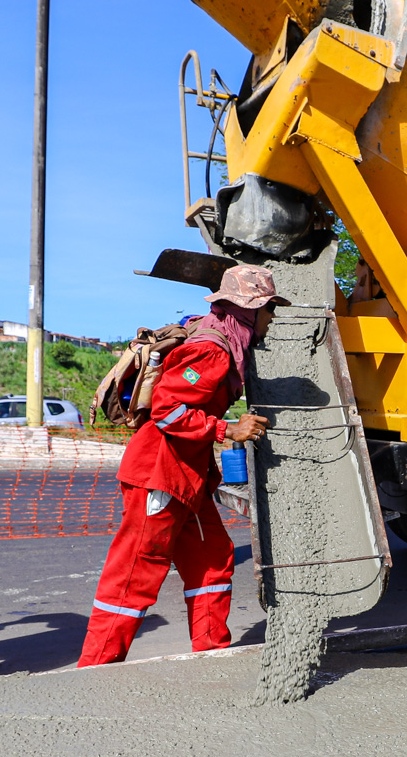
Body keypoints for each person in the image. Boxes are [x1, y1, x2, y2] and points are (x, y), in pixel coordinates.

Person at [78, 266, 285, 666]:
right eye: (268, 310)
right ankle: (95, 667)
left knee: (213, 557)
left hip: (187, 480)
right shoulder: (212, 349)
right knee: (135, 573)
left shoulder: (221, 338)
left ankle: (211, 653)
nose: (271, 319)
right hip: (160, 475)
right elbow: (168, 411)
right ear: (249, 310)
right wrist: (228, 429)